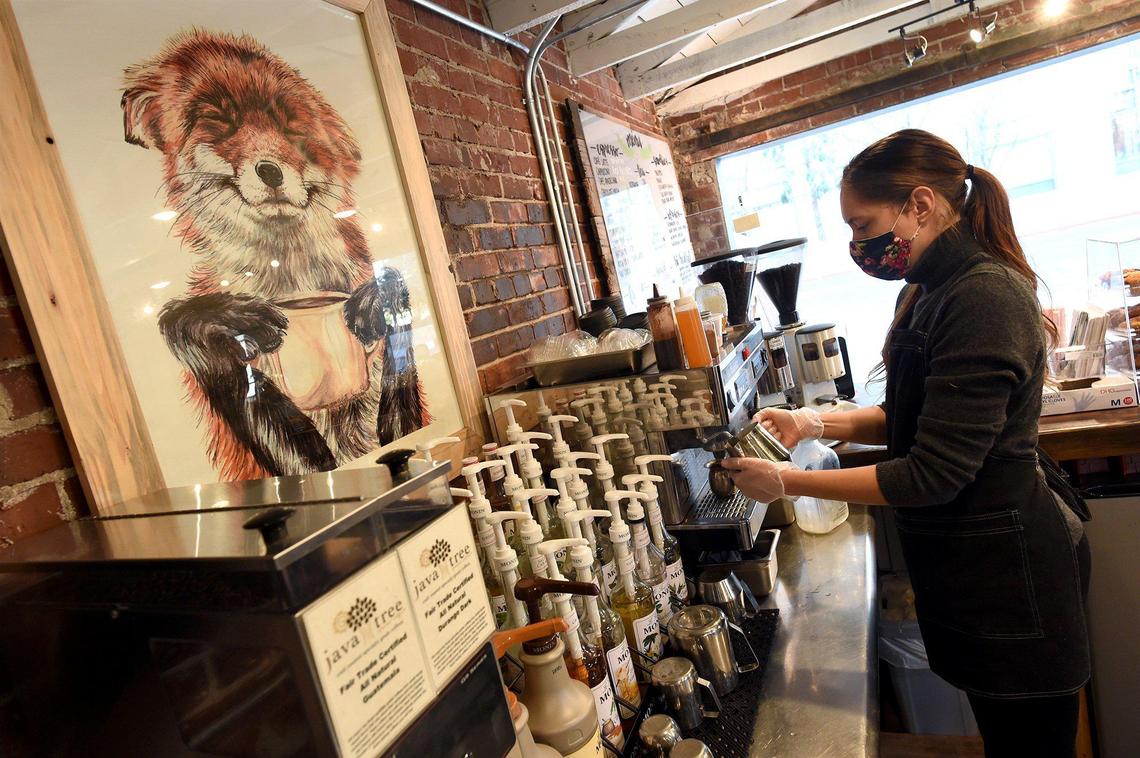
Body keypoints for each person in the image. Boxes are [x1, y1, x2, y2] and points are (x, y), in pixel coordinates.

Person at [724, 129, 1091, 758]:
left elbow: (932, 474)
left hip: (1012, 577)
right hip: (972, 566)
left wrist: (787, 482)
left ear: (920, 205)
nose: (858, 244)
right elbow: (910, 415)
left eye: (862, 224)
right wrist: (816, 425)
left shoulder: (985, 295)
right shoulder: (927, 287)